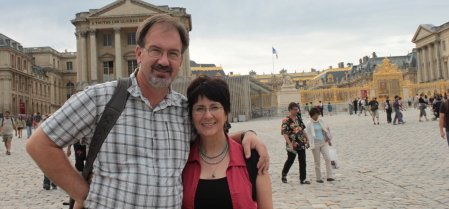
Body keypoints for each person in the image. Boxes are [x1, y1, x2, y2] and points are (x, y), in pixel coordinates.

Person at [27, 14, 269, 209]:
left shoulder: (183, 111)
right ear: (139, 54)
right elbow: (39, 144)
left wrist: (247, 135)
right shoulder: (100, 98)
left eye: (172, 53)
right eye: (156, 50)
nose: (164, 61)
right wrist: (86, 194)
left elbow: (211, 137)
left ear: (181, 61)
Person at [182, 75, 273, 208]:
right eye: (200, 108)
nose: (208, 115)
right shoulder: (182, 159)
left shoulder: (252, 158)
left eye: (214, 107)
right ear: (191, 116)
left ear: (226, 113)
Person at [280, 102, 310, 185]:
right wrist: (289, 143)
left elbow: (303, 130)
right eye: (295, 109)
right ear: (290, 110)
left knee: (303, 161)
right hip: (292, 144)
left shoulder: (298, 119)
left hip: (301, 143)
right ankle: (284, 174)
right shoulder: (286, 120)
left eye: (298, 109)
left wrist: (307, 139)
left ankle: (303, 178)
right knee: (290, 160)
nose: (297, 111)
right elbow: (284, 132)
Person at [306, 108, 334, 183]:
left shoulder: (321, 121)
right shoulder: (309, 123)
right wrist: (308, 143)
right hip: (315, 142)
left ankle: (329, 176)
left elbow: (325, 131)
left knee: (327, 158)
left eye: (317, 115)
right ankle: (319, 177)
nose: (316, 116)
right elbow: (308, 134)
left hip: (323, 142)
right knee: (317, 161)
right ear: (311, 115)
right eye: (314, 115)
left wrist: (328, 141)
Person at [439, 88, 449, 165]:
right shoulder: (445, 104)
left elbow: (441, 117)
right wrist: (441, 130)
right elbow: (441, 117)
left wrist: (441, 131)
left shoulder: (445, 104)